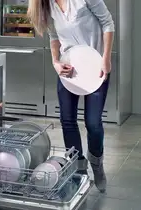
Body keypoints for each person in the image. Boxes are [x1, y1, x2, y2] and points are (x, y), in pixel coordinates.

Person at [28, 0, 114, 193]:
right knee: (67, 120)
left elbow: (108, 23)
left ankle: (97, 164)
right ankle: (78, 170)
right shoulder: (46, 5)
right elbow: (54, 36)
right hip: (69, 70)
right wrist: (55, 62)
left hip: (96, 67)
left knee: (93, 123)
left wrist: (106, 59)